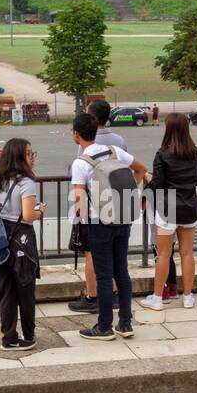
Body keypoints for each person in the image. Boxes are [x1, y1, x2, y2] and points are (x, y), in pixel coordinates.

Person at [70, 112, 147, 340]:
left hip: (99, 222)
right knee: (121, 271)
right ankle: (125, 323)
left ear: (76, 135)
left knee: (104, 276)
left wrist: (82, 220)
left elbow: (78, 198)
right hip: (122, 218)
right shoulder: (116, 152)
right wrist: (124, 196)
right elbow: (141, 169)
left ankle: (104, 326)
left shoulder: (81, 163)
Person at [68, 99, 128, 314]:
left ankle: (95, 299)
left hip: (96, 211)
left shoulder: (84, 154)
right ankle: (122, 313)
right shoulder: (118, 142)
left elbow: (80, 188)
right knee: (120, 267)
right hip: (119, 206)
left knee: (93, 256)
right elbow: (130, 170)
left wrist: (81, 217)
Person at [140, 113, 197, 311]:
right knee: (187, 254)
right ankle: (188, 296)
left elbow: (158, 183)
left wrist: (147, 181)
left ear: (168, 129)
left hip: (168, 208)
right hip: (189, 206)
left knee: (164, 255)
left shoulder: (163, 153)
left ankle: (158, 298)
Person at [0, 138, 44, 350]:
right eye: (29, 154)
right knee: (26, 290)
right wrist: (41, 211)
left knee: (6, 291)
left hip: (2, 240)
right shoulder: (26, 183)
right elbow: (28, 215)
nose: (32, 158)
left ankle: (9, 337)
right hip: (22, 240)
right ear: (19, 157)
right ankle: (29, 335)